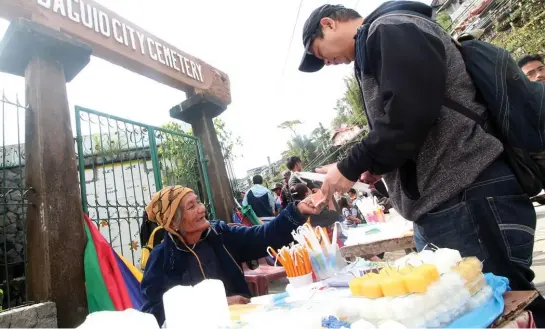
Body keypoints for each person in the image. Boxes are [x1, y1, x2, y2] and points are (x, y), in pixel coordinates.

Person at [299, 1, 539, 314]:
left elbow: (409, 113)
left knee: (506, 308)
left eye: (320, 54)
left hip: (466, 196)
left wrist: (349, 166)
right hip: (448, 202)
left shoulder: (390, 28)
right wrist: (376, 165)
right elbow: (411, 126)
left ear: (329, 24)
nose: (327, 64)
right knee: (471, 310)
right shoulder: (381, 38)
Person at [140, 186, 320, 326]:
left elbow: (263, 237)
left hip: (244, 321)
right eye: (191, 206)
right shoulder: (161, 258)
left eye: (198, 202)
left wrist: (297, 211)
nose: (202, 209)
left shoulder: (219, 235)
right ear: (174, 222)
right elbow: (154, 312)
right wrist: (217, 304)